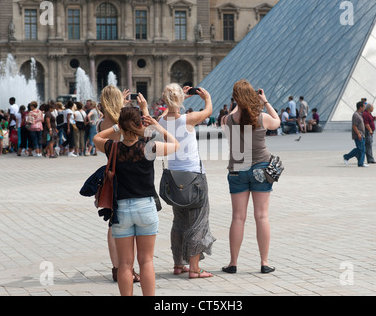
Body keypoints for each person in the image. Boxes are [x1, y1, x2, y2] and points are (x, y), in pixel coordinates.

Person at [93, 106, 179, 296]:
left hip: (121, 209)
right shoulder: (149, 148)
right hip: (146, 207)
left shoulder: (113, 147)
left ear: (121, 126)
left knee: (125, 263)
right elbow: (176, 145)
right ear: (139, 124)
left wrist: (116, 128)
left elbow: (96, 138)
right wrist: (157, 126)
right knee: (146, 261)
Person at [221, 80, 281, 274]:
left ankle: (233, 263)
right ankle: (264, 262)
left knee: (238, 218)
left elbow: (231, 118)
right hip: (261, 167)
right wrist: (265, 102)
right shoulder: (262, 117)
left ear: (235, 97)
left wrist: (236, 105)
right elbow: (277, 121)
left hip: (238, 169)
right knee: (261, 216)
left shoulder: (227, 120)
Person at [158, 84, 216, 279]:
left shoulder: (161, 120)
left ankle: (178, 264)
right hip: (194, 175)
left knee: (179, 220)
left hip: (174, 176)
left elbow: (168, 110)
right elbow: (208, 111)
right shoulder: (188, 119)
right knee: (198, 221)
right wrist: (206, 97)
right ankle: (194, 268)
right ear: (179, 99)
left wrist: (176, 99)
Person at [96, 86, 141, 283]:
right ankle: (128, 268)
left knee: (113, 224)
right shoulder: (123, 121)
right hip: (131, 174)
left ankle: (117, 268)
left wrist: (118, 103)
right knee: (133, 226)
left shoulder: (101, 124)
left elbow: (111, 120)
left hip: (112, 173)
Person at [344, 101, 368, 167]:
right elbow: (354, 125)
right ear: (360, 107)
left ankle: (360, 163)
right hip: (358, 135)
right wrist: (358, 134)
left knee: (362, 149)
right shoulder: (355, 115)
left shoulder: (360, 114)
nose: (364, 108)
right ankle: (346, 157)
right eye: (364, 106)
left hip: (362, 134)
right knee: (360, 149)